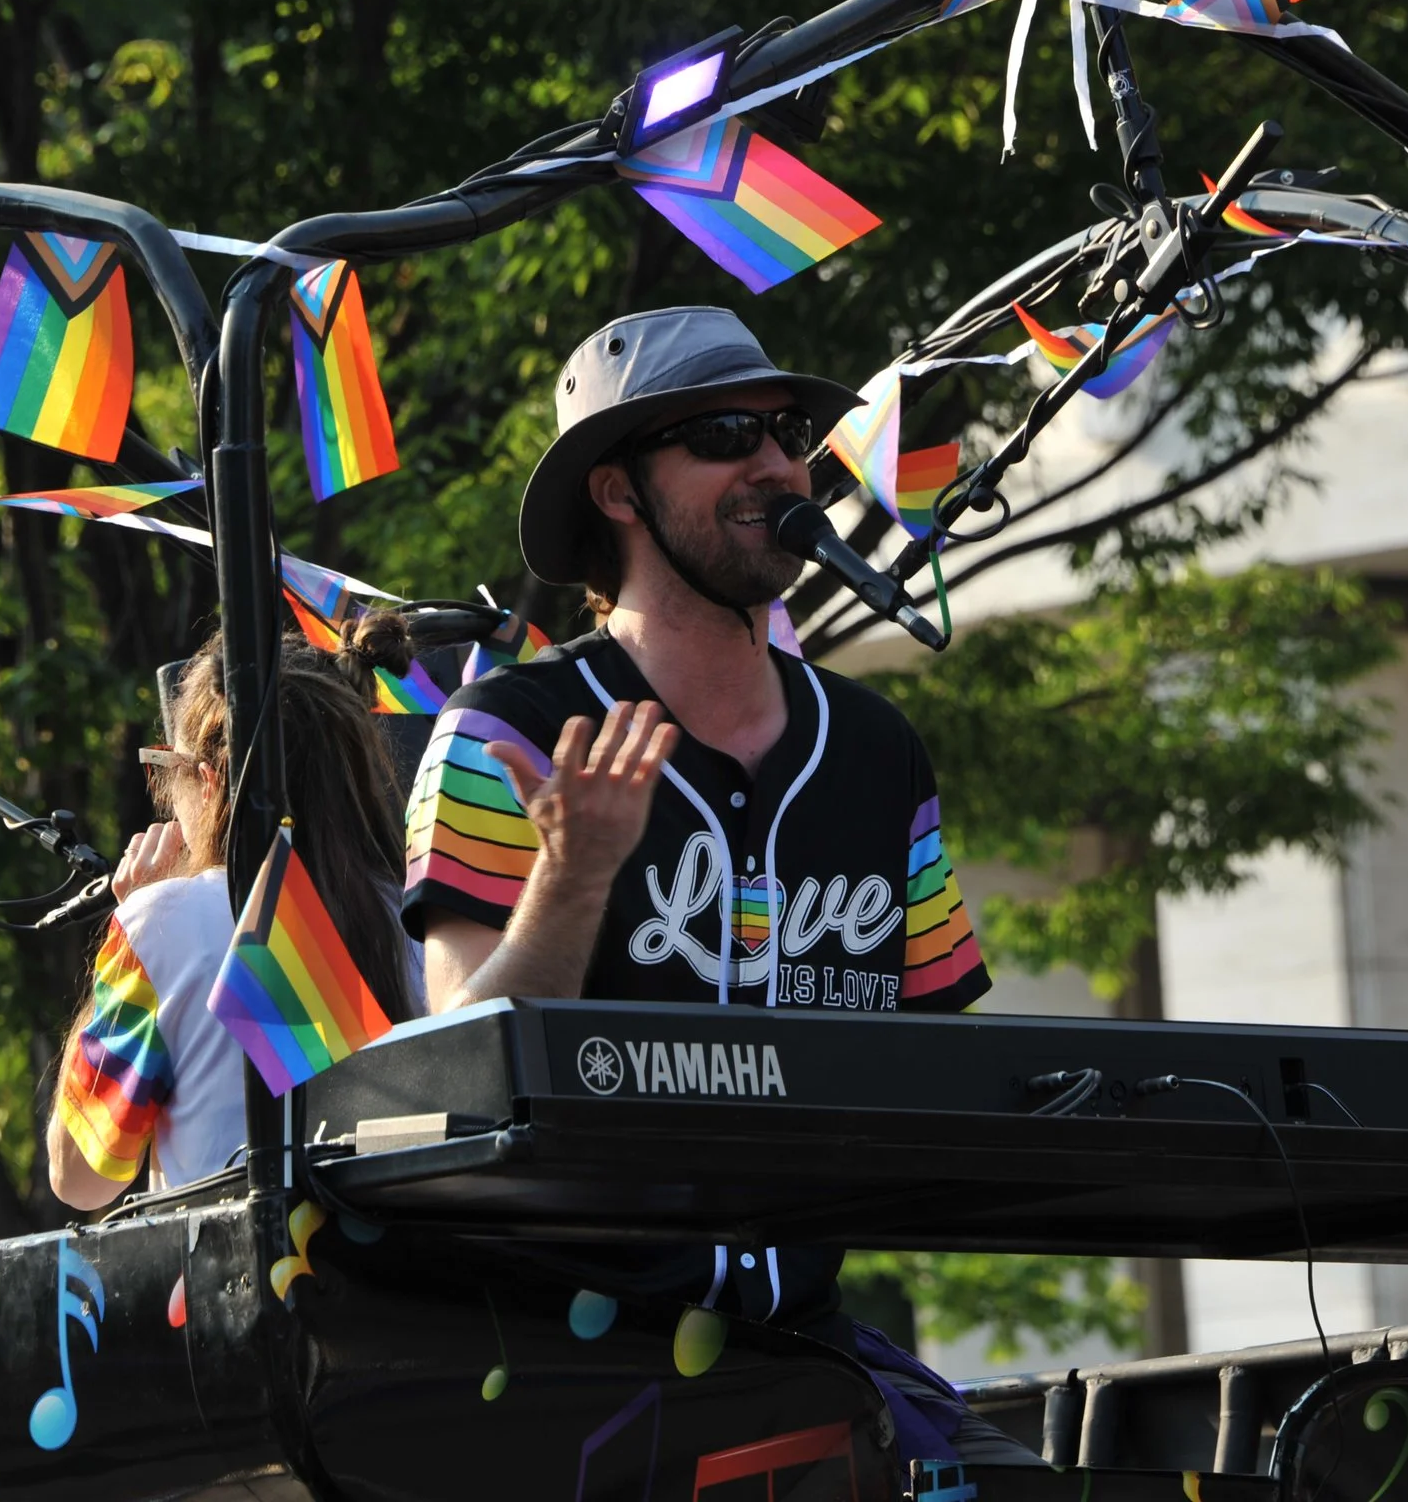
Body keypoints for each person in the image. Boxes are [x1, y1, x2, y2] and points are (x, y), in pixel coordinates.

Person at [400, 306, 1023, 1465]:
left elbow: (943, 1068)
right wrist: (576, 872)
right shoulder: (507, 732)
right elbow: (460, 1053)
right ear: (618, 491)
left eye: (786, 431)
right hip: (562, 1367)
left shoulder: (877, 746)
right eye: (728, 434)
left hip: (802, 1349)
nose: (778, 463)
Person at [47, 613, 424, 1211]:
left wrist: (129, 933)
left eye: (166, 773)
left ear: (211, 779)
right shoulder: (419, 913)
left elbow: (82, 1177)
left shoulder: (162, 922)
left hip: (239, 1282)